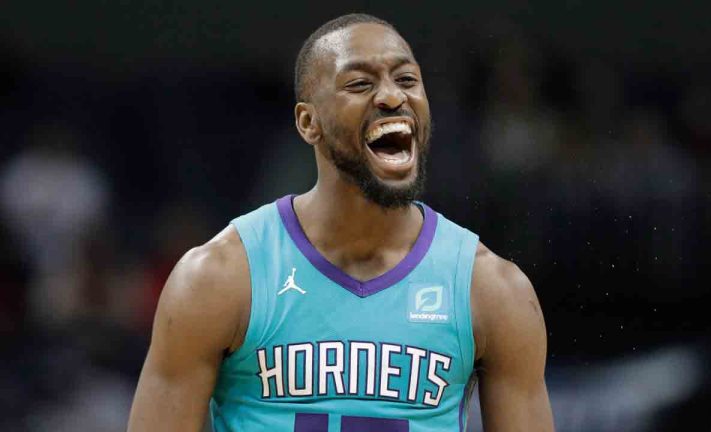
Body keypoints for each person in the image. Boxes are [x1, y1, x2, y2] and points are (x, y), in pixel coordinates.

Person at [128, 13, 554, 432]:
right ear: (308, 122)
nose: (392, 97)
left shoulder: (492, 289)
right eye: (360, 84)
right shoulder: (219, 277)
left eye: (407, 80)